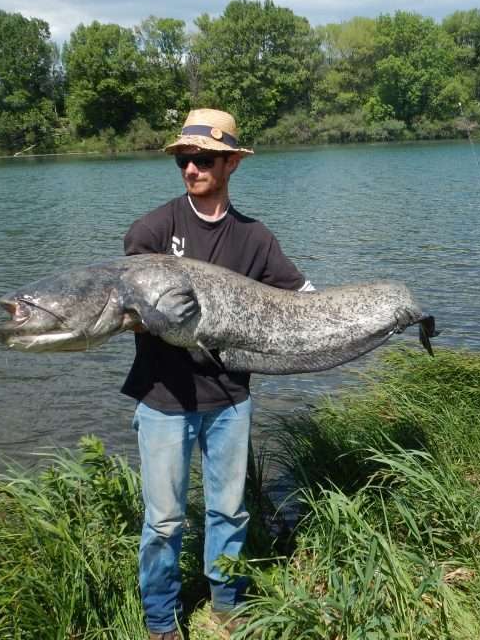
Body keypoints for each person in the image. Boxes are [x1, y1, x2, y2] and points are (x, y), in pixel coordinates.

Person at [122, 108, 313, 640]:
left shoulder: (255, 240)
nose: (191, 169)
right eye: (184, 159)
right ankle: (162, 620)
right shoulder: (153, 230)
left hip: (230, 398)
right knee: (163, 522)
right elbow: (131, 314)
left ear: (231, 163)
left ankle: (227, 604)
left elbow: (302, 300)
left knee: (229, 511)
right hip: (163, 397)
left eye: (203, 159)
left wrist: (364, 320)